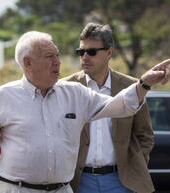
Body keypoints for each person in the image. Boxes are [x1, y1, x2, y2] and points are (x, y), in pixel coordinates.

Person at [0, 31, 170, 193]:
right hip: (15, 189)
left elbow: (119, 105)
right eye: (49, 56)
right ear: (27, 63)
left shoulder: (75, 93)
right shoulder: (2, 97)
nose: (58, 62)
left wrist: (144, 83)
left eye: (58, 55)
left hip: (63, 189)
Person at [63, 23, 154, 193]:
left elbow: (145, 133)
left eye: (91, 52)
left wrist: (135, 164)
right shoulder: (66, 87)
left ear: (109, 53)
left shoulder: (132, 87)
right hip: (79, 181)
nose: (85, 57)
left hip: (120, 180)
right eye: (81, 52)